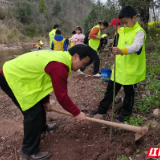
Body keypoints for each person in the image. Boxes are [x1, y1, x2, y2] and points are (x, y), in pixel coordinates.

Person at [0, 44, 91, 160]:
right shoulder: (60, 65)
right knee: (33, 113)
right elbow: (62, 97)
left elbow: (44, 80)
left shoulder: (62, 57)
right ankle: (29, 151)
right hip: (11, 77)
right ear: (76, 56)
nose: (82, 67)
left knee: (38, 106)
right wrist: (77, 113)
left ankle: (41, 128)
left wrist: (46, 101)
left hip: (22, 76)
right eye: (83, 63)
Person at [90, 6, 146, 122]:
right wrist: (115, 60)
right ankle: (102, 109)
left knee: (129, 94)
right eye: (122, 23)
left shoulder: (139, 32)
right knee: (110, 90)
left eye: (126, 22)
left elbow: (136, 46)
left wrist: (122, 51)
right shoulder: (121, 31)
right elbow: (118, 46)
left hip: (131, 70)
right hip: (119, 68)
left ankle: (125, 114)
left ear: (134, 18)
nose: (124, 25)